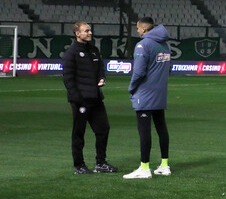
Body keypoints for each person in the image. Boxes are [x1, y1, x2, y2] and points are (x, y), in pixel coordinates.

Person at [62, 22, 118, 175]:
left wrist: (101, 78)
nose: (90, 33)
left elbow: (100, 68)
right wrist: (77, 99)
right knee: (79, 134)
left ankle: (101, 163)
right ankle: (79, 165)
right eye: (86, 31)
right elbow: (68, 79)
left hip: (96, 98)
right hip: (81, 101)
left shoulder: (94, 50)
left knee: (103, 129)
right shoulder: (71, 53)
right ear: (77, 34)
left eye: (90, 30)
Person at [123, 18, 172, 179]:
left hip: (145, 93)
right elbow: (168, 69)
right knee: (161, 128)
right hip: (160, 93)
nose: (137, 31)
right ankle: (164, 165)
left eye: (137, 28)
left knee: (144, 131)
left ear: (143, 28)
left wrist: (131, 88)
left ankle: (144, 168)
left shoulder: (143, 45)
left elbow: (138, 72)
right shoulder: (165, 44)